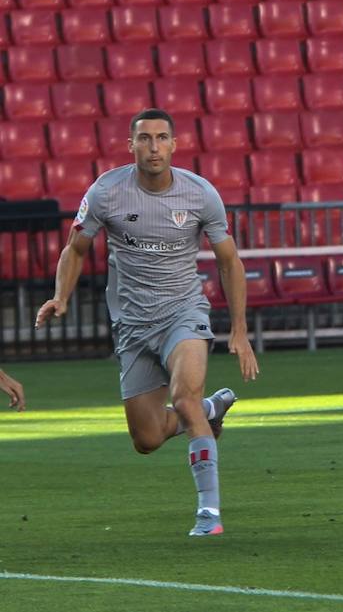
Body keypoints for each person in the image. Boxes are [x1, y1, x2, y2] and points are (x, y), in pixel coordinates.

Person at [33, 109, 258, 535]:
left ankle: (209, 514)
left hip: (183, 313)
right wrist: (60, 296)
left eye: (161, 138)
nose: (153, 147)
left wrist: (240, 331)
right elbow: (75, 248)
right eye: (144, 139)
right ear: (130, 144)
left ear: (174, 144)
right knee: (147, 439)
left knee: (185, 397)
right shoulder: (106, 192)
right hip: (134, 325)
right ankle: (212, 409)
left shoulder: (200, 195)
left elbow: (229, 262)